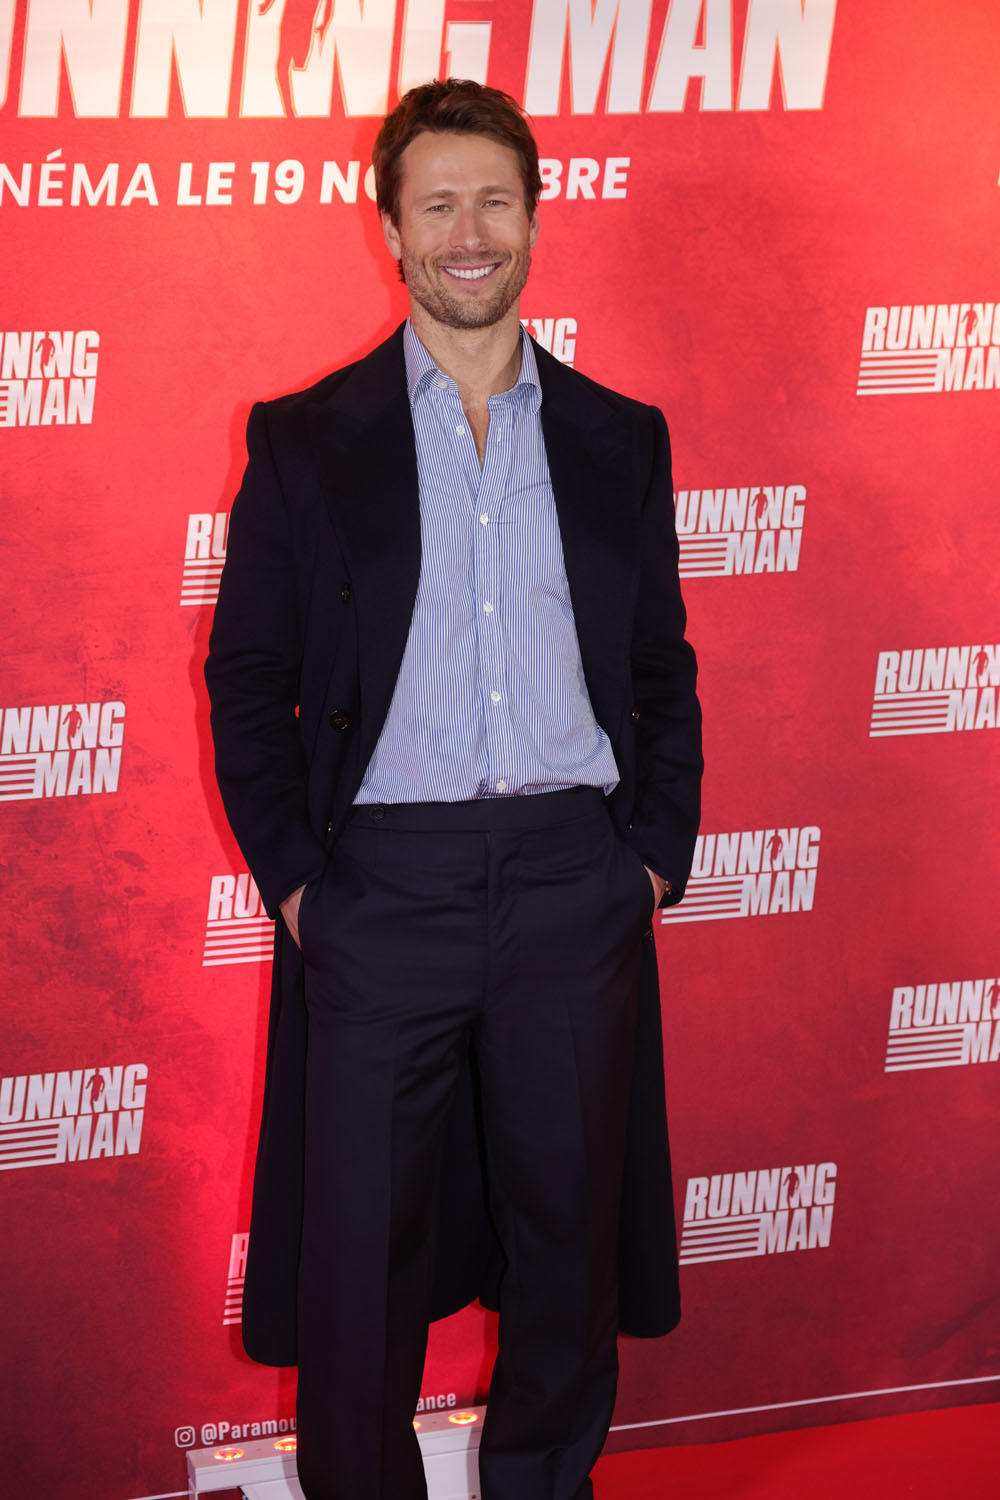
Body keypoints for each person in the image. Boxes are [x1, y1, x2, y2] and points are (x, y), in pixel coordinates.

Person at [205, 77, 702, 1500]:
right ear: (393, 229)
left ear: (536, 219)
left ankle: (545, 1482)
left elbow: (661, 667)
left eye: (494, 201)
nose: (468, 233)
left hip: (573, 882)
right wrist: (305, 889)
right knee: (359, 1257)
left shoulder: (620, 436)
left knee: (569, 1246)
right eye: (438, 205)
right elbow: (247, 677)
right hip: (383, 895)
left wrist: (647, 862)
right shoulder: (306, 438)